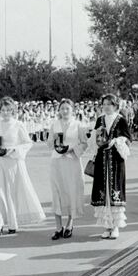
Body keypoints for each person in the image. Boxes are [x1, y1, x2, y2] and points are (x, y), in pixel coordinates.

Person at [0, 97, 45, 238]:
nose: (6, 113)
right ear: (0, 111)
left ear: (13, 111)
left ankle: (12, 224)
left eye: (9, 110)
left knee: (11, 192)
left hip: (13, 161)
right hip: (0, 160)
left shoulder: (18, 124)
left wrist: (13, 150)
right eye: (3, 110)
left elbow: (28, 143)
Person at [91, 94, 132, 240]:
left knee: (114, 189)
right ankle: (107, 226)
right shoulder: (100, 119)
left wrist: (116, 141)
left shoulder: (120, 120)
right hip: (102, 160)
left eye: (110, 104)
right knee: (103, 191)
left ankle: (115, 226)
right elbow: (95, 138)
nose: (107, 106)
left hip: (115, 160)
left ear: (115, 105)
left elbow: (128, 138)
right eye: (104, 104)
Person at [47, 99, 89, 240]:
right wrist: (54, 142)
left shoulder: (78, 125)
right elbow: (49, 144)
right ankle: (58, 227)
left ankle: (70, 223)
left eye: (67, 108)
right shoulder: (54, 124)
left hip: (72, 161)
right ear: (59, 110)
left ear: (72, 110)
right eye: (62, 108)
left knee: (72, 191)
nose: (64, 111)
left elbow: (84, 144)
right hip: (57, 162)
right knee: (57, 192)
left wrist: (72, 149)